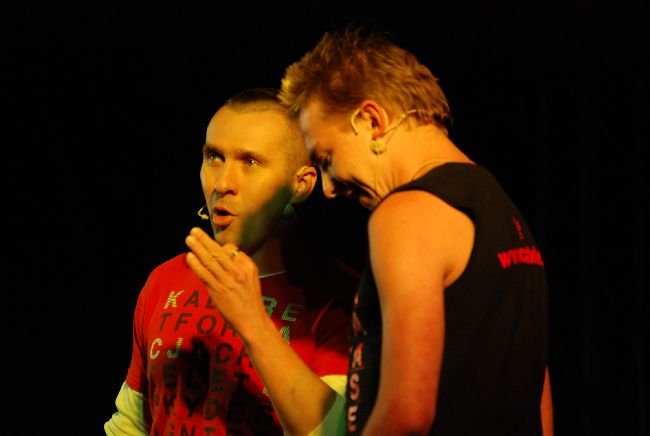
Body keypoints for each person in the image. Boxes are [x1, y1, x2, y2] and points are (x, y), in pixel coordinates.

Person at [278, 26, 554, 435]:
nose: (330, 188)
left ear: (371, 120)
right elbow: (538, 396)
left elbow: (406, 415)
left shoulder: (407, 213)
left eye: (327, 157)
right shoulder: (502, 209)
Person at [105, 88, 358, 435]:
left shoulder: (338, 298)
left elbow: (337, 431)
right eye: (214, 157)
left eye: (249, 162)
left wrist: (252, 321)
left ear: (300, 184)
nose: (223, 183)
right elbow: (132, 422)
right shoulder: (167, 279)